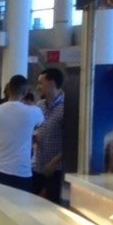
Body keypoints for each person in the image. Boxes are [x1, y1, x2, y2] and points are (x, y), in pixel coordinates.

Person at [0, 75, 44, 191]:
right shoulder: (34, 112)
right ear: (25, 92)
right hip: (22, 172)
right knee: (19, 208)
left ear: (8, 90)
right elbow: (38, 126)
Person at [32, 66, 68, 204]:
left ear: (52, 83)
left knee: (53, 207)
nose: (38, 87)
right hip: (38, 165)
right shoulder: (39, 106)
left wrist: (53, 163)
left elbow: (70, 142)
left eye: (41, 83)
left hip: (56, 170)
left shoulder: (66, 108)